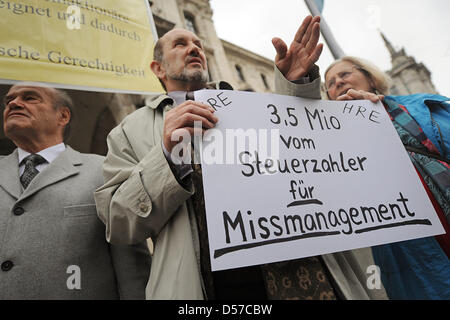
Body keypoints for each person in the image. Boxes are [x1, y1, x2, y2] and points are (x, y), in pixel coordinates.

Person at [95, 15, 367, 300]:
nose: (195, 48)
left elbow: (308, 156)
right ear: (157, 68)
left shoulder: (249, 105)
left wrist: (295, 87)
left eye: (198, 43)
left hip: (302, 271)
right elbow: (119, 222)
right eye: (180, 43)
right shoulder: (127, 131)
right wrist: (167, 156)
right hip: (210, 285)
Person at [0, 83, 151, 299]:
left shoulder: (105, 171)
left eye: (30, 98)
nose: (14, 103)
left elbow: (131, 268)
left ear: (62, 116)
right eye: (9, 100)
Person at [324, 56, 450, 299]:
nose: (338, 82)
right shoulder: (333, 141)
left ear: (371, 79)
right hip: (413, 249)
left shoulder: (421, 105)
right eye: (330, 83)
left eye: (344, 74)